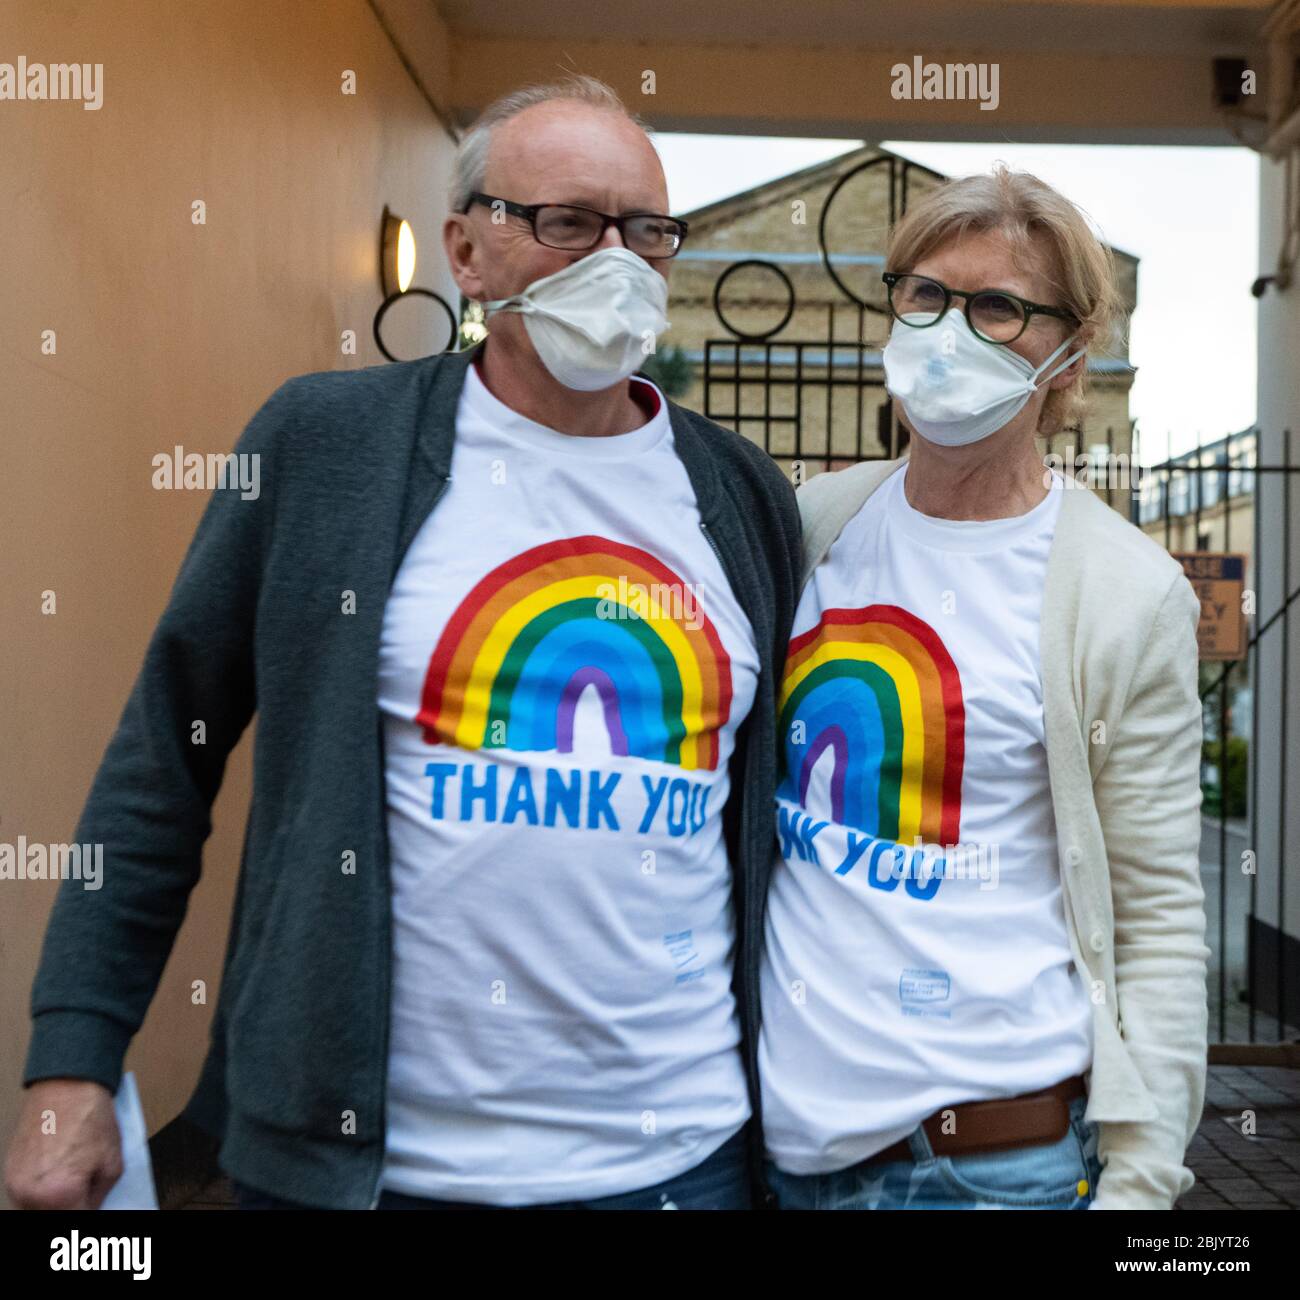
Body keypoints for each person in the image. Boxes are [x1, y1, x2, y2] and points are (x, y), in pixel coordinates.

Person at [6, 75, 801, 1211]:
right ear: (465, 251)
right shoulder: (325, 446)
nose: (614, 260)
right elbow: (161, 759)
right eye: (567, 222)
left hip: (674, 1165)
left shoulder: (739, 495)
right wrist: (72, 1058)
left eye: (646, 230)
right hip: (359, 1171)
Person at [758, 164, 1208, 1210]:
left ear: (1065, 359)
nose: (945, 331)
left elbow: (1155, 911)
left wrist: (1141, 1182)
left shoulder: (1122, 592)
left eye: (996, 306)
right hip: (784, 1158)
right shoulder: (812, 527)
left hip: (990, 1172)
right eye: (923, 295)